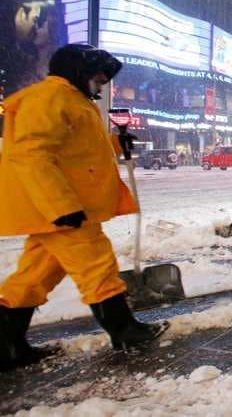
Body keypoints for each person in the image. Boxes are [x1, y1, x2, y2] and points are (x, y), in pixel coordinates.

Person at [0, 44, 168, 371]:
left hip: (58, 209)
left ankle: (6, 344)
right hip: (61, 208)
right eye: (98, 76)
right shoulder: (49, 99)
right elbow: (32, 155)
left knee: (34, 275)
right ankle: (124, 330)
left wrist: (116, 144)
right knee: (97, 265)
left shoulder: (70, 100)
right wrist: (60, 206)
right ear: (77, 70)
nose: (102, 83)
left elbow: (79, 152)